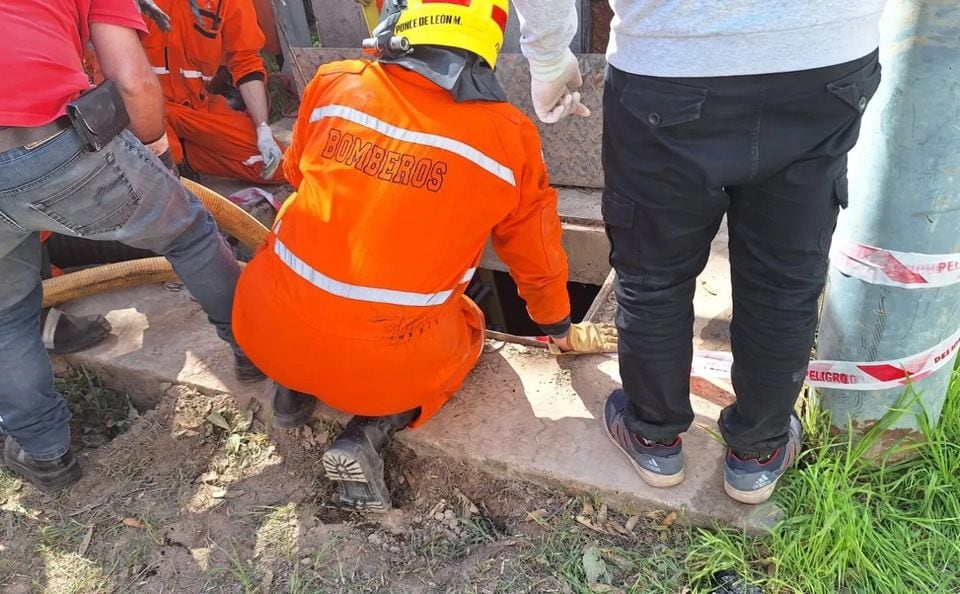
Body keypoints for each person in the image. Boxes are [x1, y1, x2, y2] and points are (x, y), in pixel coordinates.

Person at [232, 0, 618, 511]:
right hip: (382, 370)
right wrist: (559, 329)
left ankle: (292, 388)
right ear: (483, 53)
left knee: (306, 289)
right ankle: (369, 429)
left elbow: (297, 176)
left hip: (261, 328)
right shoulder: (507, 137)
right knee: (470, 324)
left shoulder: (334, 82)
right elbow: (536, 257)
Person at [509, 0, 887, 504]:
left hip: (670, 65)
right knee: (784, 278)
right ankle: (759, 452)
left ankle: (653, 436)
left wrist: (550, 55)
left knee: (653, 275)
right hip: (827, 63)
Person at [0, 0, 264, 493]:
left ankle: (44, 452)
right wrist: (159, 159)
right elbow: (134, 82)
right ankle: (255, 350)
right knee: (191, 234)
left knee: (5, 314)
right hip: (48, 140)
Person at [139, 0, 285, 183]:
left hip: (196, 109)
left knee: (280, 166)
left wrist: (262, 128)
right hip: (146, 107)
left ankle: (187, 158)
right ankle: (174, 163)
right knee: (163, 167)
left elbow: (246, 63)